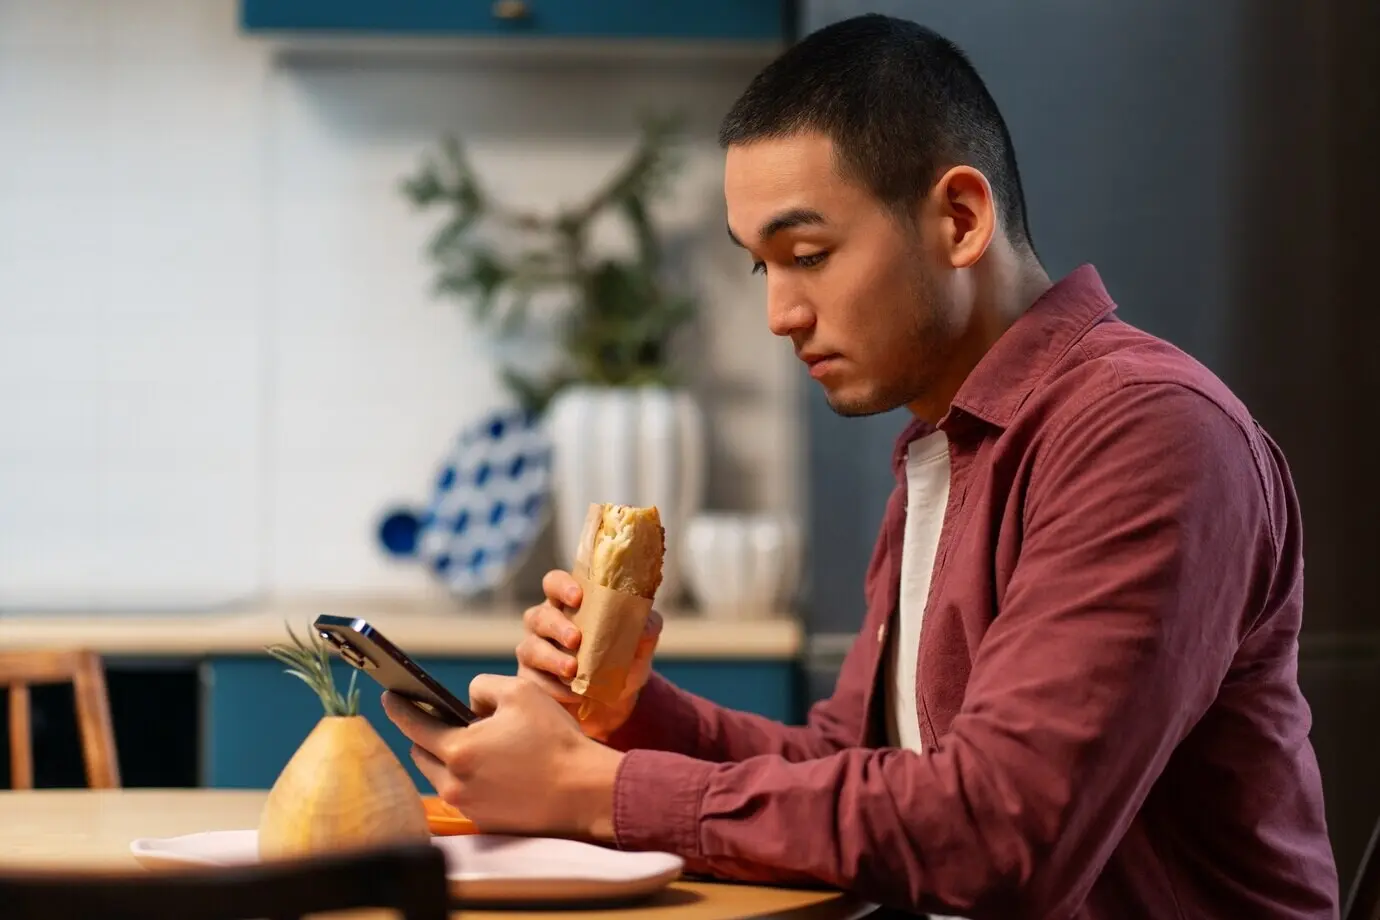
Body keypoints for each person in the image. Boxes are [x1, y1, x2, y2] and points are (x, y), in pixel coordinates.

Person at [382, 13, 1339, 919]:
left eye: (808, 252)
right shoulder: (949, 442)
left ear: (961, 219)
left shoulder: (1146, 433)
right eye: (765, 266)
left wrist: (599, 793)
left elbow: (1002, 830)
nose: (780, 314)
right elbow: (857, 761)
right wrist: (637, 717)